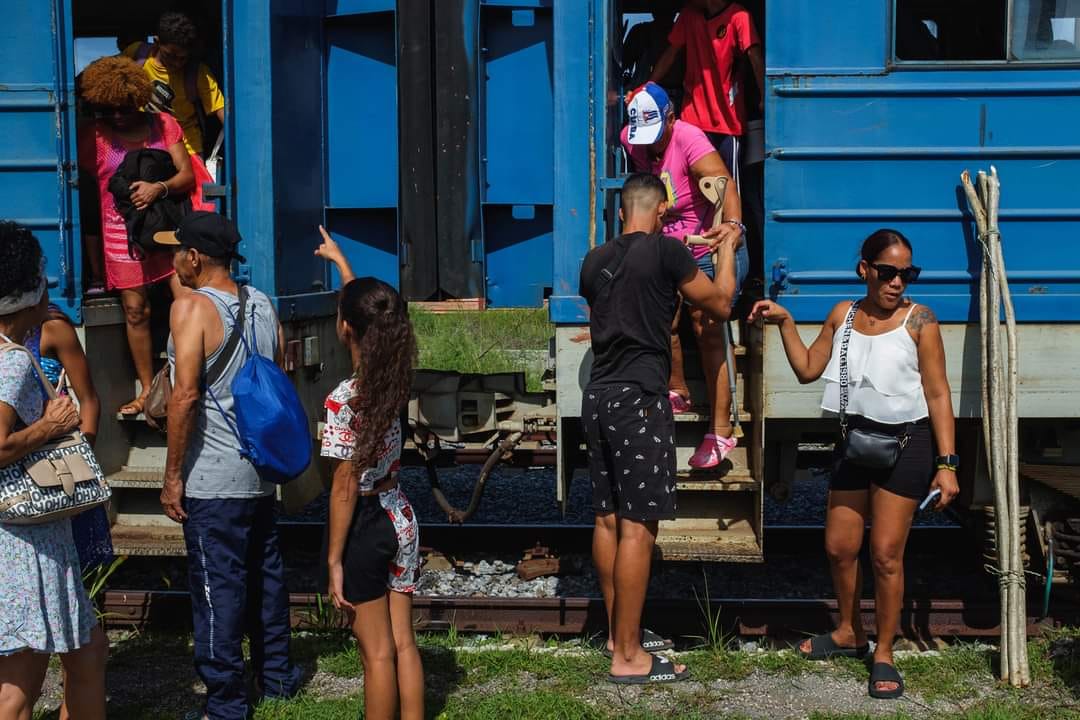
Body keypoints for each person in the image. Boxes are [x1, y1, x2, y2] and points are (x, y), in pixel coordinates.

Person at [747, 229, 960, 700]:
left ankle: (883, 651)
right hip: (854, 442)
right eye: (888, 272)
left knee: (885, 555)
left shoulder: (920, 321)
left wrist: (947, 464)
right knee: (840, 547)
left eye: (907, 274)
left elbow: (938, 393)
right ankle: (848, 631)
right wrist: (785, 322)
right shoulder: (842, 314)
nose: (897, 282)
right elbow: (807, 369)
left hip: (907, 443)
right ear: (865, 269)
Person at [580, 173, 737, 684]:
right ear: (664, 207)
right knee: (638, 527)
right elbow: (720, 303)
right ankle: (629, 657)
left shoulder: (594, 260)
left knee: (607, 519)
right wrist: (727, 248)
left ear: (623, 209)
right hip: (638, 399)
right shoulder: (667, 252)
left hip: (598, 396)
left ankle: (618, 635)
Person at [156, 212, 300, 719]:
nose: (173, 260)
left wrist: (172, 477)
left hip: (213, 478)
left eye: (177, 252)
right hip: (258, 472)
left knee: (217, 592)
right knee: (265, 580)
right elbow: (276, 376)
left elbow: (185, 396)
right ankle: (277, 679)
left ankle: (226, 705)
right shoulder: (261, 303)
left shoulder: (190, 308)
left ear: (194, 257)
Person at [314, 227, 425, 720]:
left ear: (345, 329)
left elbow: (343, 487)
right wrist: (343, 265)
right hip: (400, 513)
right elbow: (370, 313)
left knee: (375, 654)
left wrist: (333, 560)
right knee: (403, 643)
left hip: (366, 524)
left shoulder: (343, 400)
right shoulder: (397, 377)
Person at [0, 221, 108, 719]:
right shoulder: (12, 363)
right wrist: (51, 426)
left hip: (31, 537)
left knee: (88, 650)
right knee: (18, 687)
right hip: (27, 542)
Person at [78, 55, 213, 417]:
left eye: (124, 107)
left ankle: (187, 382)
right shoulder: (93, 135)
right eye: (108, 109)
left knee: (187, 301)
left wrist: (158, 188)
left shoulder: (163, 124)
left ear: (138, 99)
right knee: (136, 311)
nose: (117, 116)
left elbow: (186, 176)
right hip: (121, 234)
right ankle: (149, 390)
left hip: (167, 226)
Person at [622, 82, 747, 468]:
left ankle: (721, 430)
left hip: (705, 244)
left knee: (706, 325)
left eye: (656, 133)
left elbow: (724, 186)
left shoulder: (689, 138)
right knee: (662, 318)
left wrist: (733, 227)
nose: (649, 144)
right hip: (666, 248)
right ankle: (677, 389)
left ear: (672, 118)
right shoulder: (631, 139)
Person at [648, 0, 765, 185]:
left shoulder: (739, 17)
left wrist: (765, 96)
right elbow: (671, 53)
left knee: (726, 186)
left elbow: (754, 56)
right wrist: (648, 86)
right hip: (693, 120)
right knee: (693, 186)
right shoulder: (688, 15)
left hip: (728, 122)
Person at [123, 11, 226, 158]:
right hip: (144, 143)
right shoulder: (137, 54)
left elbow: (221, 110)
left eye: (182, 58)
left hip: (187, 147)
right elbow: (110, 74)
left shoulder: (199, 73)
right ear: (157, 42)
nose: (176, 63)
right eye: (170, 55)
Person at [622, 1, 685, 108]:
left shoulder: (685, 32)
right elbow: (623, 63)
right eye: (659, 4)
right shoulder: (640, 32)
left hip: (679, 96)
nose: (663, 9)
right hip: (645, 96)